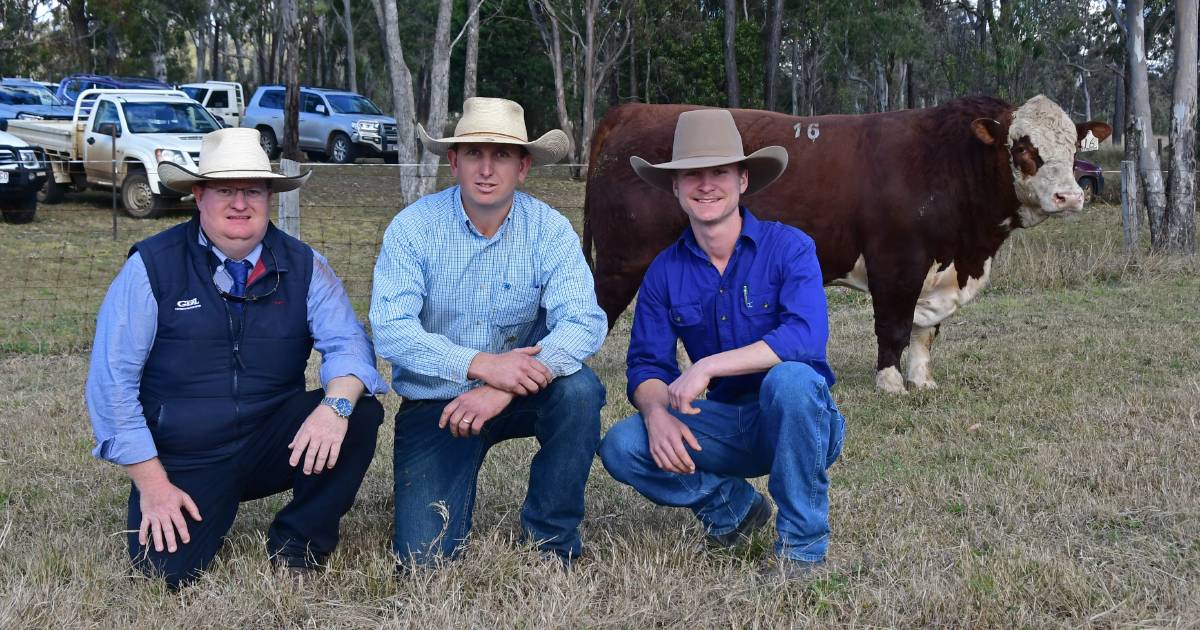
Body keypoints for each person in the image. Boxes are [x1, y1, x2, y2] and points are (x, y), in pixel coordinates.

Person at [85, 127, 387, 587]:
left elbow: (349, 346)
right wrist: (153, 484)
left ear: (269, 197)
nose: (240, 203)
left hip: (272, 438)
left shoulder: (306, 265)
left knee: (359, 411)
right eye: (226, 190)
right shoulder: (150, 266)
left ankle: (298, 541)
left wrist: (335, 406)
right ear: (199, 196)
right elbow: (111, 384)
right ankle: (194, 503)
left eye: (252, 190)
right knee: (161, 574)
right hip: (186, 454)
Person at [597, 109, 846, 578]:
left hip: (799, 422)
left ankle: (803, 550)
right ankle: (736, 510)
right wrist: (654, 414)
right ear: (675, 187)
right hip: (725, 427)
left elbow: (804, 337)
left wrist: (707, 366)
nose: (706, 184)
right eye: (693, 174)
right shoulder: (664, 272)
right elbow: (646, 364)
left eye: (720, 172)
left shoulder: (790, 248)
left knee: (791, 381)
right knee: (623, 444)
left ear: (743, 181)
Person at [370, 97, 607, 569]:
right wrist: (480, 366)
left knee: (579, 392)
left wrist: (501, 385)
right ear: (453, 161)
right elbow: (390, 329)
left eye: (501, 155)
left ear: (523, 168)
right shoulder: (413, 229)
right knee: (424, 561)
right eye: (474, 153)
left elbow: (584, 321)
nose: (486, 168)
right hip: (438, 403)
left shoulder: (549, 231)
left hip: (520, 392)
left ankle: (551, 539)